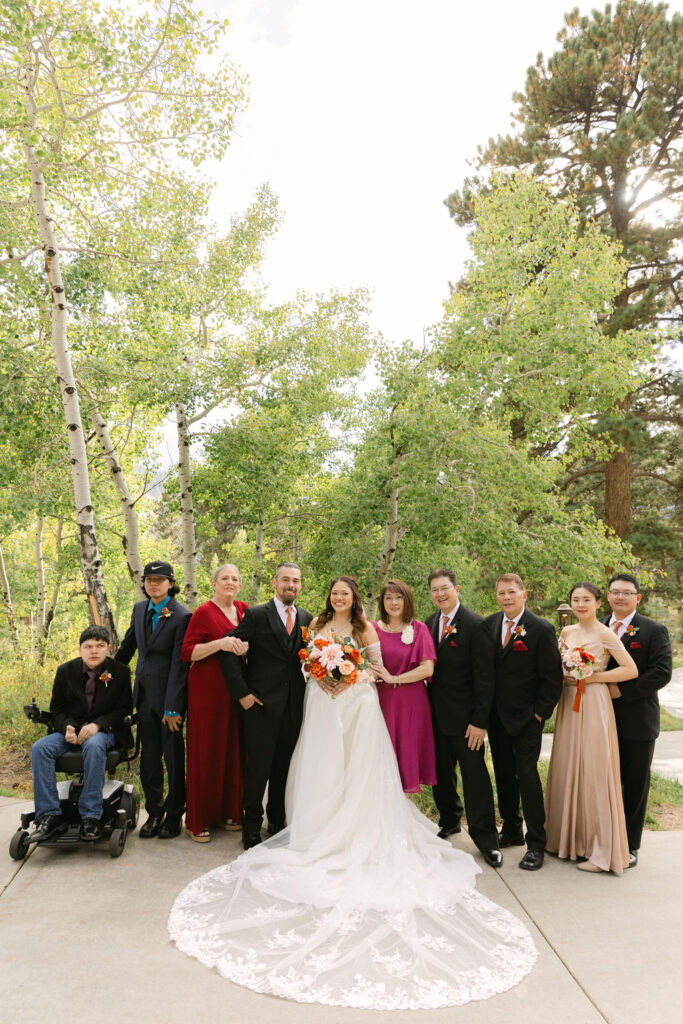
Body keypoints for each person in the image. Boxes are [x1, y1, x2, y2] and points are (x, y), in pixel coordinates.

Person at [169, 574, 537, 1009]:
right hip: (323, 702)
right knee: (322, 767)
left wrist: (349, 673)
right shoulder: (316, 622)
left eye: (345, 593)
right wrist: (321, 673)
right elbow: (305, 662)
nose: (339, 597)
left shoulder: (364, 626)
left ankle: (364, 829)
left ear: (354, 598)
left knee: (359, 770)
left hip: (357, 702)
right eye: (334, 592)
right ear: (328, 596)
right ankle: (318, 827)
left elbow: (375, 667)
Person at [545, 582, 638, 874]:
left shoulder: (604, 632)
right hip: (570, 701)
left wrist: (596, 676)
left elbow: (630, 669)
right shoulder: (567, 632)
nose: (581, 604)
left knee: (595, 770)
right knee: (568, 765)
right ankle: (570, 841)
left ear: (599, 602)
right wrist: (568, 673)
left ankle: (601, 851)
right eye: (576, 599)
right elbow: (558, 666)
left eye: (587, 599)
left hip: (595, 702)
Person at [219, 563, 313, 849]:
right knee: (258, 768)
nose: (291, 585)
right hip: (259, 706)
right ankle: (251, 825)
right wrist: (242, 694)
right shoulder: (257, 614)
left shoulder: (307, 618)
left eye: (296, 581)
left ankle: (277, 820)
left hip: (294, 707)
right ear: (275, 583)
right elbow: (228, 649)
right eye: (286, 580)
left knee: (283, 767)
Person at [485, 573, 563, 871]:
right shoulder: (490, 625)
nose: (506, 597)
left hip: (528, 718)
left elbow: (552, 678)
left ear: (524, 594)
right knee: (504, 774)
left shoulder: (541, 629)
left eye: (512, 592)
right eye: (501, 593)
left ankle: (536, 844)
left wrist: (539, 714)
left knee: (527, 776)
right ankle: (512, 827)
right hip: (497, 717)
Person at [425, 568, 501, 868]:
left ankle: (486, 839)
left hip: (467, 721)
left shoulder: (475, 625)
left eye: (444, 588)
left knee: (475, 778)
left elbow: (486, 678)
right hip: (434, 717)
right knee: (442, 774)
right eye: (434, 589)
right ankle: (450, 819)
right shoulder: (429, 624)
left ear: (457, 589)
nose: (439, 594)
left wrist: (480, 721)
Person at [30, 626, 132, 841]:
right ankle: (49, 815)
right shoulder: (65, 671)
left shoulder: (121, 672)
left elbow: (123, 710)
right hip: (71, 731)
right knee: (40, 748)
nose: (94, 651)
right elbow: (57, 710)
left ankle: (91, 816)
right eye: (88, 646)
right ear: (80, 649)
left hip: (106, 731)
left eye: (100, 646)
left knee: (93, 744)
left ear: (108, 648)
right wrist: (67, 728)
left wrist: (97, 725)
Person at [116, 560, 191, 839]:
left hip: (170, 702)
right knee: (149, 760)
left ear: (171, 584)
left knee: (173, 759)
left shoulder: (182, 615)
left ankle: (174, 816)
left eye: (160, 580)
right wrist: (104, 674)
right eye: (149, 580)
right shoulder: (139, 609)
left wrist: (173, 707)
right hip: (145, 699)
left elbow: (179, 665)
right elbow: (128, 648)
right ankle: (154, 812)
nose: (153, 584)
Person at [602, 572, 672, 867]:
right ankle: (602, 839)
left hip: (637, 721)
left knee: (633, 783)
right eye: (615, 591)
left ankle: (629, 846)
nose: (620, 596)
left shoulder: (653, 630)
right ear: (607, 596)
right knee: (602, 781)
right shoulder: (598, 626)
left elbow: (661, 672)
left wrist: (622, 691)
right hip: (599, 719)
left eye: (626, 592)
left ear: (637, 598)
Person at [182, 564, 250, 842]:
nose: (230, 583)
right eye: (225, 578)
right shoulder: (203, 612)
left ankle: (229, 811)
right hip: (207, 691)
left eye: (235, 578)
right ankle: (197, 821)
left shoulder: (244, 609)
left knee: (234, 750)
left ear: (240, 585)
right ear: (213, 583)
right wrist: (220, 644)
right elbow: (188, 653)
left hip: (235, 691)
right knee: (206, 750)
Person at [373, 578, 436, 795]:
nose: (393, 602)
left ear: (406, 599)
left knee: (406, 754)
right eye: (388, 598)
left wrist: (394, 679)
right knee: (380, 753)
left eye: (398, 597)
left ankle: (404, 814)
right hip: (380, 702)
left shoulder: (419, 629)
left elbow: (427, 669)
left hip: (411, 703)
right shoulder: (372, 629)